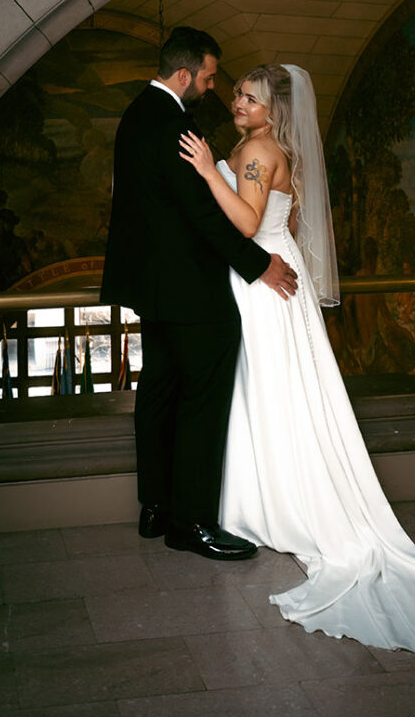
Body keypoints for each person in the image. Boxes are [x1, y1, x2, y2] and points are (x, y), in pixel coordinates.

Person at [179, 63, 415, 654]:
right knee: (276, 391)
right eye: (237, 93)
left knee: (270, 390)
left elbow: (249, 221)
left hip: (264, 282)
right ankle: (260, 498)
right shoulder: (263, 145)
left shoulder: (258, 149)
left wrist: (210, 172)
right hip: (271, 274)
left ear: (273, 111)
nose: (238, 101)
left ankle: (274, 504)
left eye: (250, 98)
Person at [101, 28, 297, 562]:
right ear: (185, 74)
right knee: (202, 402)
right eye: (210, 77)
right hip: (192, 291)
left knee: (158, 392)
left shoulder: (136, 114)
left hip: (153, 289)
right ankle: (191, 523)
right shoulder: (176, 125)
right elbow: (203, 215)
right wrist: (259, 267)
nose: (214, 89)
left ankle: (155, 508)